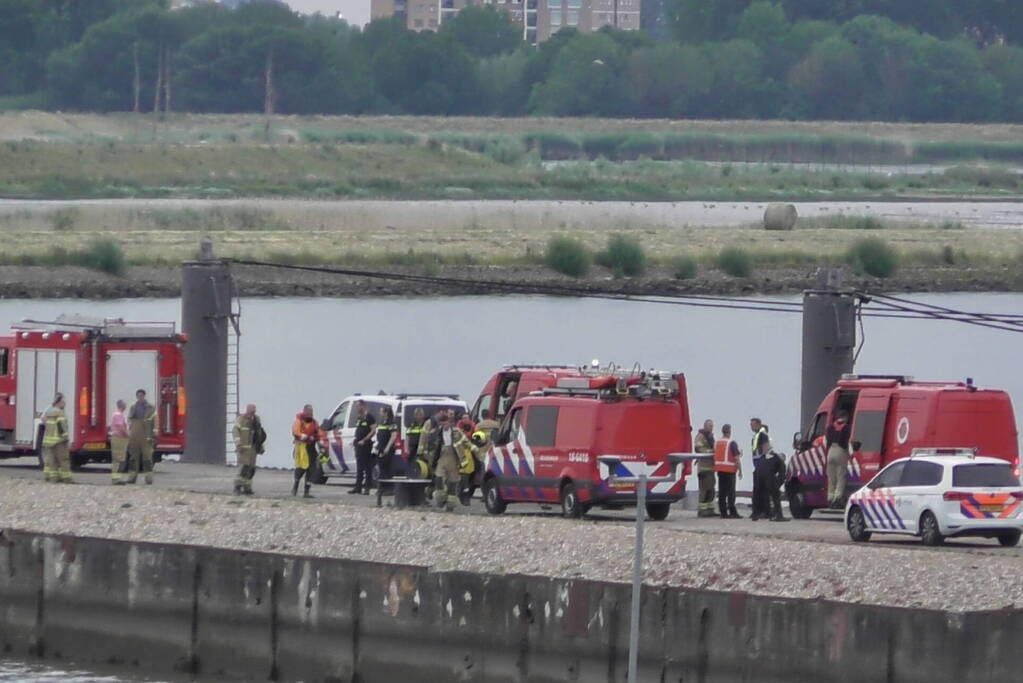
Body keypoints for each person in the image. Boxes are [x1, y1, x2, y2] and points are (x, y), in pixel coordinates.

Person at [427, 412, 470, 511]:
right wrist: (431, 459)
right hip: (441, 457)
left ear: (450, 423)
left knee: (453, 482)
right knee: (438, 478)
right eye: (442, 424)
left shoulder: (457, 432)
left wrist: (475, 449)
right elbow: (431, 447)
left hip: (454, 458)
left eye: (445, 423)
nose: (444, 426)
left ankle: (450, 504)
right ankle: (440, 499)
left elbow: (466, 441)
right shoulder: (436, 433)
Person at [233, 404, 266, 495]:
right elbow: (235, 431)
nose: (252, 413)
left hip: (253, 448)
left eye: (254, 411)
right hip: (243, 448)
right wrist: (238, 444)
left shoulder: (256, 420)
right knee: (244, 468)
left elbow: (259, 434)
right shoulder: (241, 419)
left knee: (252, 470)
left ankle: (247, 487)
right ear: (247, 410)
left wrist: (261, 446)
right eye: (251, 411)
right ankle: (237, 487)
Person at [126, 389, 157, 485]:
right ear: (137, 396)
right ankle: (132, 477)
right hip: (134, 434)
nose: (140, 397)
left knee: (147, 457)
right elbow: (129, 420)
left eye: (142, 395)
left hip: (146, 435)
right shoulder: (133, 407)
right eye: (139, 396)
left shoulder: (151, 407)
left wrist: (155, 433)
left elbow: (155, 420)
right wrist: (129, 431)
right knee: (133, 457)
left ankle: (148, 477)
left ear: (144, 396)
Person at [292, 404, 322, 498]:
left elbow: (319, 433)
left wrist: (320, 441)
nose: (311, 413)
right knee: (301, 468)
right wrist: (302, 436)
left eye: (311, 411)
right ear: (304, 411)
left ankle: (306, 491)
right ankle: (295, 487)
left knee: (312, 469)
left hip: (311, 448)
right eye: (309, 411)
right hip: (302, 448)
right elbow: (295, 432)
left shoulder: (314, 422)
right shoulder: (299, 421)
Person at [713, 423, 742, 519]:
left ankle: (723, 512)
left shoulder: (717, 443)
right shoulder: (731, 443)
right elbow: (736, 458)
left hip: (720, 470)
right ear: (729, 432)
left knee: (722, 492)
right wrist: (740, 470)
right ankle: (733, 512)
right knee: (731, 492)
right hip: (730, 470)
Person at [41, 393, 71, 483]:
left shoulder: (49, 412)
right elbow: (62, 427)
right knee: (63, 460)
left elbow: (44, 420)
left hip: (49, 441)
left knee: (52, 461)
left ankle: (53, 478)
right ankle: (66, 478)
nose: (65, 403)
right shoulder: (59, 413)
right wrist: (66, 438)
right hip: (59, 441)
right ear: (59, 402)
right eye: (63, 401)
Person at [825, 411, 852, 509]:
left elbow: (827, 440)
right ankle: (837, 499)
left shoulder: (830, 427)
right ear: (845, 418)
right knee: (841, 476)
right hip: (840, 451)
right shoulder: (846, 428)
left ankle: (830, 499)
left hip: (830, 452)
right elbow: (846, 442)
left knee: (831, 478)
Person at [350, 400, 376, 495]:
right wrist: (355, 440)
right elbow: (359, 430)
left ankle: (367, 488)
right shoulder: (359, 418)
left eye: (358, 406)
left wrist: (364, 440)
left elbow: (373, 431)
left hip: (366, 444)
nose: (357, 408)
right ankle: (358, 487)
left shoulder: (369, 417)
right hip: (358, 444)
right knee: (359, 466)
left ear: (363, 406)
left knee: (367, 466)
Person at [749, 417, 770, 520]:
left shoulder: (762, 435)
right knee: (757, 489)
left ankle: (764, 511)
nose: (751, 426)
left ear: (758, 424)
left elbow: (765, 449)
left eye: (752, 424)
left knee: (762, 489)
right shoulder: (756, 436)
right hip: (757, 465)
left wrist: (764, 463)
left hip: (762, 465)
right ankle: (757, 511)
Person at [694, 419, 716, 517]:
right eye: (710, 426)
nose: (711, 428)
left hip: (711, 467)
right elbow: (698, 448)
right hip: (703, 468)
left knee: (711, 488)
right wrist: (710, 452)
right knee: (704, 489)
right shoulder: (700, 436)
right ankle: (702, 510)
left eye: (712, 426)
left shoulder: (711, 436)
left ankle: (710, 509)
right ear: (705, 426)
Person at [375, 405, 399, 489]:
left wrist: (387, 448)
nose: (379, 413)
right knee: (381, 468)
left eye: (381, 411)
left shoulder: (391, 423)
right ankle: (382, 488)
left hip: (387, 449)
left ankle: (388, 488)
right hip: (381, 448)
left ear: (386, 413)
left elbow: (393, 436)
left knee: (387, 468)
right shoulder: (382, 422)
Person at [109, 399, 129, 485]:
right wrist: (127, 435)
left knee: (119, 459)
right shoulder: (118, 415)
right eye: (125, 404)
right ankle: (116, 479)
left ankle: (117, 478)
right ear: (121, 405)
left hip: (119, 438)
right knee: (118, 459)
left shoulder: (118, 414)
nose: (126, 406)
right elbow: (120, 427)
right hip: (118, 439)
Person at [405, 408, 429, 478]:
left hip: (422, 448)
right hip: (412, 448)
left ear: (423, 415)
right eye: (416, 415)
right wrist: (406, 449)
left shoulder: (426, 424)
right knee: (411, 462)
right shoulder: (411, 425)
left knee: (423, 463)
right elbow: (407, 437)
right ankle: (410, 475)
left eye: (420, 415)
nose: (418, 416)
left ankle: (424, 476)